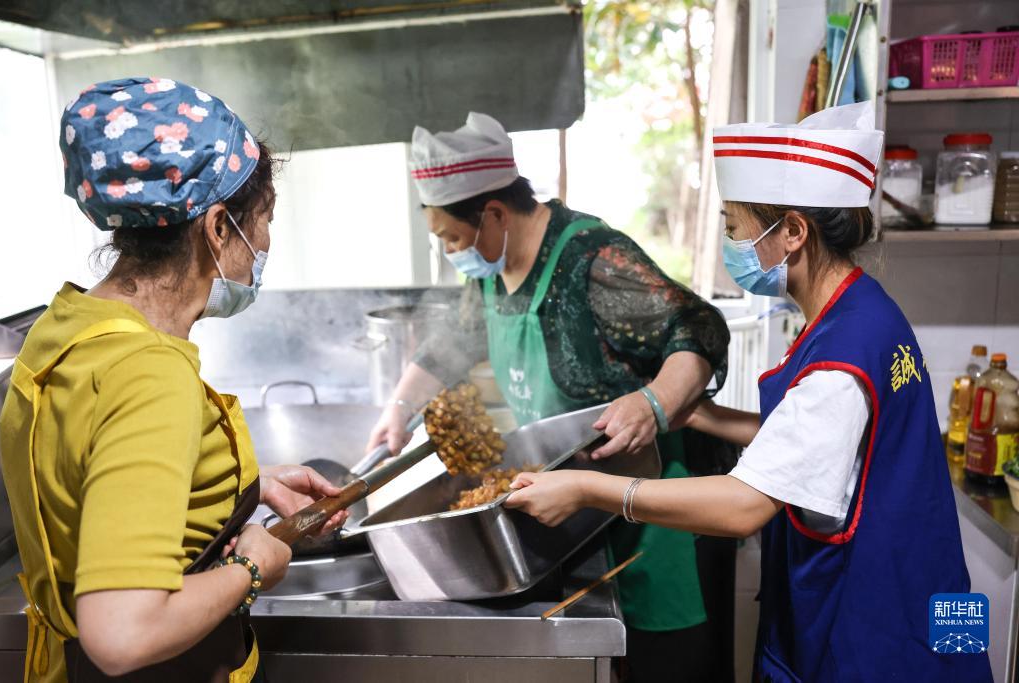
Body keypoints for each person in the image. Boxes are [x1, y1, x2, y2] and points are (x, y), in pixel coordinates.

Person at [505, 102, 994, 682]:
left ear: (792, 232)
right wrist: (702, 416)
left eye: (735, 226)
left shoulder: (842, 355)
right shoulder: (864, 310)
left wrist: (588, 487)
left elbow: (744, 507)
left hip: (875, 625)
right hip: (926, 583)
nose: (730, 242)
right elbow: (818, 447)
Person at [0, 77, 346, 683]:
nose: (263, 243)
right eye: (261, 221)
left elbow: (89, 479)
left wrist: (236, 489)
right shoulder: (150, 372)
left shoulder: (67, 326)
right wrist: (252, 566)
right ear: (216, 228)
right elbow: (122, 634)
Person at [366, 112, 736, 682]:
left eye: (452, 238)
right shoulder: (492, 268)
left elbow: (698, 328)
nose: (450, 252)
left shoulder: (591, 258)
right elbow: (449, 347)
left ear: (493, 213)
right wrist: (397, 413)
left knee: (669, 667)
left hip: (655, 505)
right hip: (577, 508)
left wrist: (654, 402)